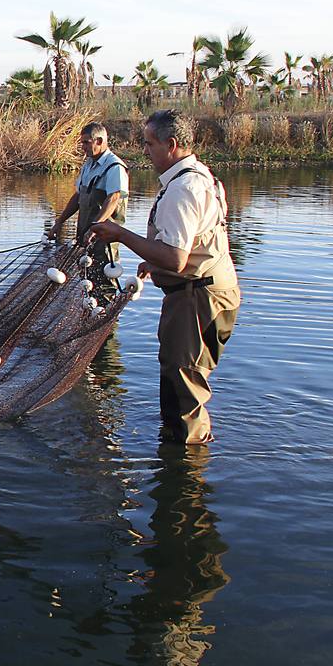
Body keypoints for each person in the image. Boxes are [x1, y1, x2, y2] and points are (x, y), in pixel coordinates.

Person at [88, 110, 240, 444]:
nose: (144, 150)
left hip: (197, 298)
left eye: (149, 143)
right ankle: (179, 447)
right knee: (181, 375)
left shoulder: (182, 189)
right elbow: (199, 243)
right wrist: (155, 266)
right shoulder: (202, 176)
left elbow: (176, 256)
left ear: (171, 145)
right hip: (211, 289)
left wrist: (120, 234)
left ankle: (187, 470)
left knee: (184, 384)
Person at [48, 121, 128, 287]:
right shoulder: (88, 165)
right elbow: (78, 196)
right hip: (86, 238)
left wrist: (94, 228)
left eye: (86, 142)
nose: (82, 147)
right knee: (87, 284)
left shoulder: (115, 167)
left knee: (104, 287)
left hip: (104, 241)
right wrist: (59, 222)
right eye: (81, 142)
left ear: (99, 141)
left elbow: (113, 199)